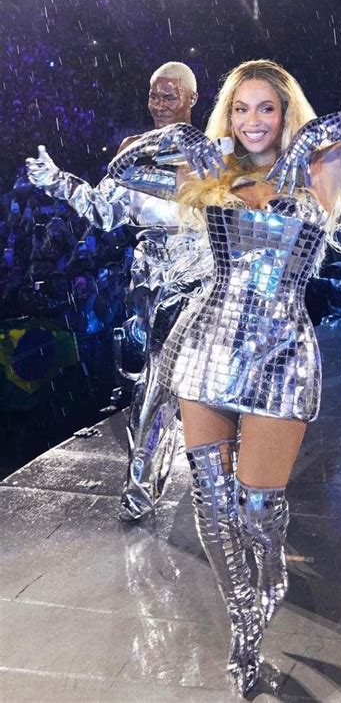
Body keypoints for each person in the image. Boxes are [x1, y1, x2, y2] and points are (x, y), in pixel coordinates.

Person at [108, 58, 341, 693]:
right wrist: (186, 138)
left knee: (257, 510)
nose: (253, 120)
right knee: (211, 501)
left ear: (283, 113)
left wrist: (313, 138)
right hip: (209, 345)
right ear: (228, 116)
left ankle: (266, 583)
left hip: (281, 355)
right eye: (241, 108)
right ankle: (244, 624)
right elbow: (123, 169)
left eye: (266, 108)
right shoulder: (210, 174)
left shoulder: (321, 170)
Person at [26, 61, 209, 522]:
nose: (159, 104)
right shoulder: (132, 151)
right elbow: (104, 211)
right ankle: (156, 483)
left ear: (192, 99)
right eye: (154, 94)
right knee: (160, 377)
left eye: (170, 95)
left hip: (203, 268)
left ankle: (171, 484)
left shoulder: (212, 149)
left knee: (186, 379)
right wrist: (57, 181)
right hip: (152, 274)